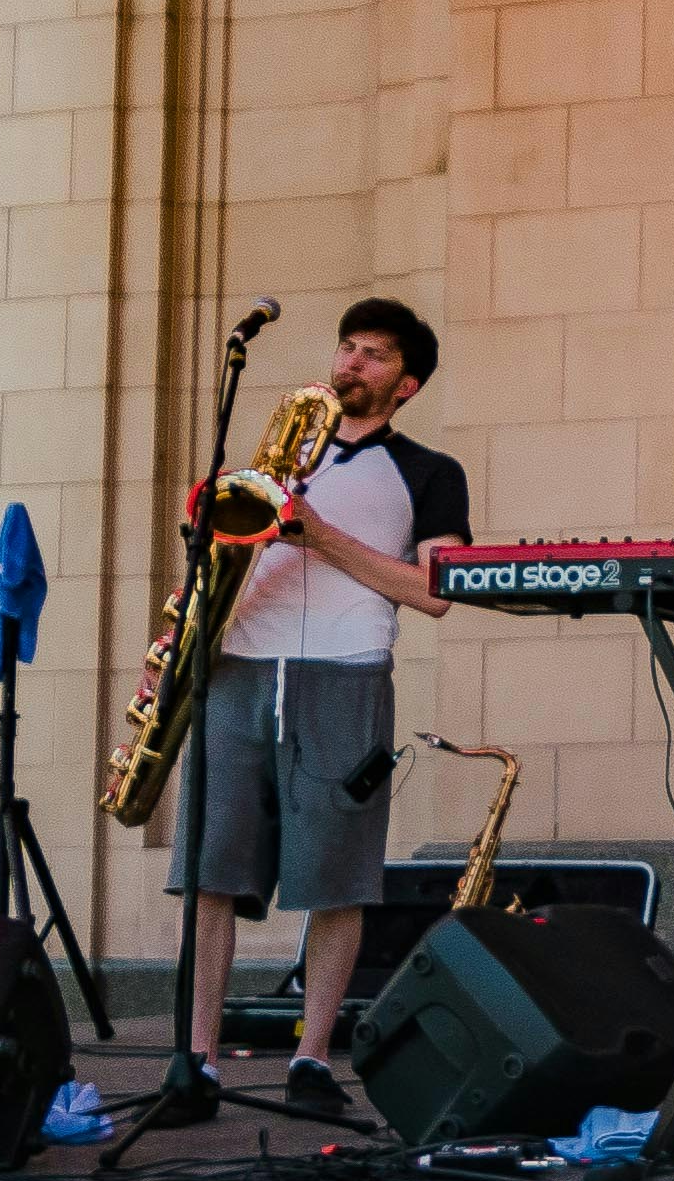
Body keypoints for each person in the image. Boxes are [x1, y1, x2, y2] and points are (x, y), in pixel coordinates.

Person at [173, 297, 467, 1119]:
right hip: (237, 670)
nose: (351, 364)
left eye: (373, 356)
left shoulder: (429, 474)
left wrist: (320, 535)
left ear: (405, 385)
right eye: (346, 348)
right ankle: (195, 1060)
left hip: (346, 673)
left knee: (339, 875)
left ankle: (312, 1056)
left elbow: (438, 594)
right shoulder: (272, 462)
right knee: (211, 871)